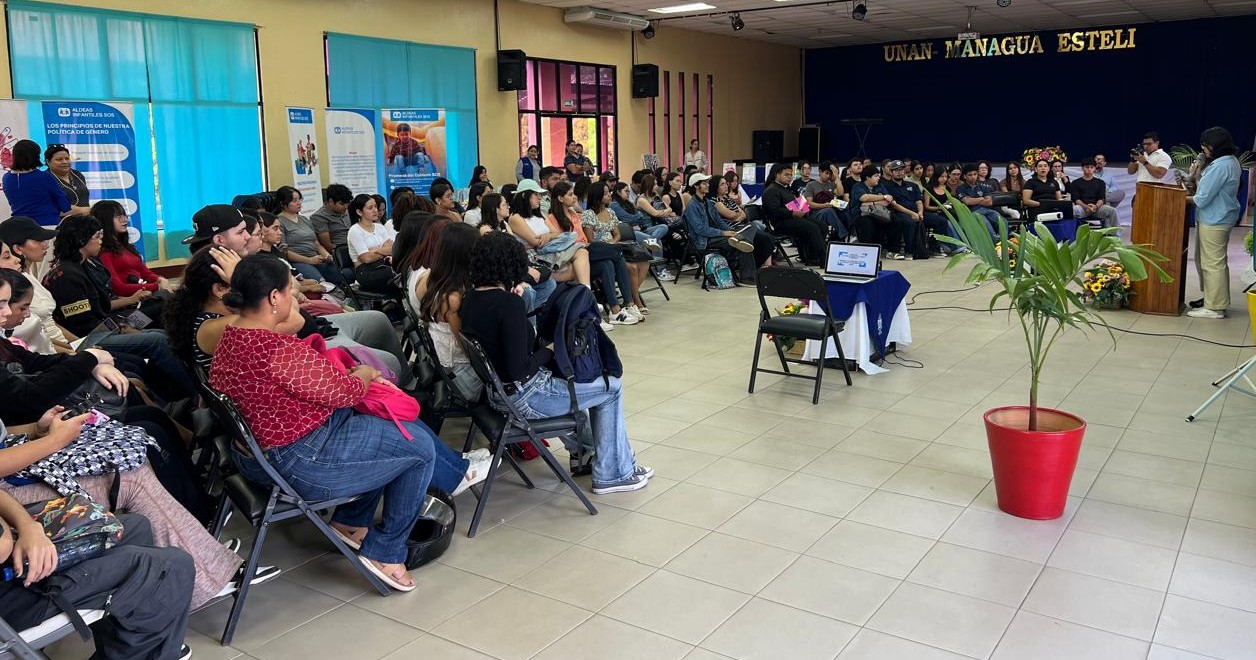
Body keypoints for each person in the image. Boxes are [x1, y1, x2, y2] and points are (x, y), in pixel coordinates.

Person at [210, 255, 485, 592]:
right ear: (274, 297)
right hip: (300, 460)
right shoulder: (276, 350)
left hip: (261, 454)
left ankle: (351, 521)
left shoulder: (231, 337)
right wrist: (366, 373)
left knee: (388, 426)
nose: (295, 296)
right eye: (289, 290)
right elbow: (346, 392)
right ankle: (386, 552)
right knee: (419, 449)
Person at [460, 232, 652, 494]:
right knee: (611, 388)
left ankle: (591, 457)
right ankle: (613, 474)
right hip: (526, 397)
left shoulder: (470, 300)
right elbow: (520, 369)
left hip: (498, 395)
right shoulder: (508, 305)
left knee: (580, 392)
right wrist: (550, 349)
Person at [0, 493, 197, 659]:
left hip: (14, 560)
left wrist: (28, 526)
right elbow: (3, 546)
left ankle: (140, 649)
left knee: (135, 528)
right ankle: (155, 649)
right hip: (16, 593)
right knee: (172, 567)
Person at [550, 181, 639, 325]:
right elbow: (563, 242)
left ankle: (619, 309)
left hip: (587, 251)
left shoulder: (575, 215)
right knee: (613, 252)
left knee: (607, 263)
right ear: (560, 198)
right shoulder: (553, 218)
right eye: (570, 195)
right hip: (573, 255)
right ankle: (622, 306)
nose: (574, 197)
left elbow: (587, 239)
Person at [415, 223, 482, 401]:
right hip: (462, 374)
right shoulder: (453, 297)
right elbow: (465, 344)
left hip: (442, 359)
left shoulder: (429, 278)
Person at [1185, 127, 1243, 319]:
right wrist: (1197, 174)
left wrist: (1180, 197)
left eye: (1206, 146)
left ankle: (1215, 307)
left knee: (1213, 263)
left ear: (1215, 146)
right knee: (1206, 260)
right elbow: (1205, 190)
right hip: (1215, 217)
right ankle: (1211, 299)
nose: (1203, 150)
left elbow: (1202, 199)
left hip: (1216, 219)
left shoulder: (1220, 166)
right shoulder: (1228, 161)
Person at [684, 173, 773, 283]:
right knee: (742, 242)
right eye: (704, 183)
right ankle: (747, 278)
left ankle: (751, 270)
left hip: (715, 235)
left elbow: (719, 222)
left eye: (707, 183)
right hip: (704, 240)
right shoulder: (692, 206)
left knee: (751, 230)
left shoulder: (707, 203)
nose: (708, 185)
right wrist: (724, 233)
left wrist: (731, 231)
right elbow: (700, 229)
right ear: (696, 186)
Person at [583, 181, 651, 316]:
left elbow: (617, 234)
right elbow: (591, 240)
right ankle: (627, 303)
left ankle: (628, 304)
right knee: (618, 259)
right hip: (598, 250)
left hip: (612, 248)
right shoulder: (588, 214)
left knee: (620, 260)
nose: (610, 195)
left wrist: (613, 243)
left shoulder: (610, 212)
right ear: (597, 196)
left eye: (609, 192)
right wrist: (609, 247)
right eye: (606, 193)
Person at [508, 179, 591, 288]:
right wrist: (549, 237)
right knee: (579, 268)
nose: (540, 198)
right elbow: (536, 242)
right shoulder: (515, 217)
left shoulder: (540, 215)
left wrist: (547, 236)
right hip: (536, 256)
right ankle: (584, 291)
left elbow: (557, 233)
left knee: (582, 253)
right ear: (524, 195)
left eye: (540, 195)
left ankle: (586, 290)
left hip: (550, 250)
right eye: (536, 194)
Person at [92, 200, 176, 297]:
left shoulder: (126, 247)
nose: (124, 220)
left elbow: (145, 272)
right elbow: (118, 288)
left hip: (145, 292)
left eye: (124, 215)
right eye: (117, 216)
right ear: (105, 220)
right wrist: (157, 286)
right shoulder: (103, 253)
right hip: (131, 299)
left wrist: (160, 280)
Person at [273, 186, 345, 286]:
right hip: (298, 261)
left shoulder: (304, 219)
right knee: (320, 282)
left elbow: (316, 243)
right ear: (283, 204)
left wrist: (326, 255)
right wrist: (309, 260)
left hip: (316, 258)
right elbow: (284, 251)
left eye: (299, 199)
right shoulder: (279, 222)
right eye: (294, 201)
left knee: (344, 275)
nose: (299, 203)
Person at [761, 164, 827, 266]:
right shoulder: (771, 190)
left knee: (822, 226)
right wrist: (793, 213)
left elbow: (793, 203)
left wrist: (804, 208)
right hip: (782, 222)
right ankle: (822, 259)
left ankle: (811, 256)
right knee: (813, 228)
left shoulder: (785, 188)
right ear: (777, 175)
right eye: (786, 175)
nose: (789, 177)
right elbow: (774, 211)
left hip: (794, 217)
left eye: (791, 175)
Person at [2, 140, 70, 229]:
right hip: (47, 225)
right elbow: (65, 205)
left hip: (19, 226)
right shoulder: (44, 176)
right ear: (35, 156)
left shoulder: (6, 178)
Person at [885, 159, 946, 258]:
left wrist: (920, 212)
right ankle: (909, 251)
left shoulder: (913, 185)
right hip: (900, 212)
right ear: (891, 172)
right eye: (896, 170)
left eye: (901, 170)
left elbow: (919, 201)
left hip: (917, 212)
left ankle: (933, 248)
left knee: (941, 221)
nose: (899, 172)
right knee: (909, 222)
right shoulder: (887, 186)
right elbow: (894, 204)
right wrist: (912, 214)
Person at [345, 193, 398, 295]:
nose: (375, 210)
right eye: (370, 208)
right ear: (359, 212)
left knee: (405, 269)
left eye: (375, 207)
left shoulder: (380, 227)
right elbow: (366, 258)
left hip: (384, 265)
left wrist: (376, 250)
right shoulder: (355, 230)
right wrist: (383, 250)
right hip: (366, 272)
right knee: (397, 272)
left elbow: (392, 249)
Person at [851, 168, 902, 258]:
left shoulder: (880, 186)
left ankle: (893, 251)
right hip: (862, 214)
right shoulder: (858, 186)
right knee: (867, 222)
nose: (878, 178)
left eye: (879, 176)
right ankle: (867, 252)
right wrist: (883, 197)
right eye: (876, 176)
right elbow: (863, 198)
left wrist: (871, 202)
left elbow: (888, 201)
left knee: (896, 220)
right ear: (867, 177)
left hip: (880, 213)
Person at [803, 160, 849, 240]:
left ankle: (848, 234)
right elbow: (809, 204)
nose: (828, 176)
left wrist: (837, 176)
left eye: (830, 174)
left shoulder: (831, 184)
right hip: (815, 213)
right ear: (820, 171)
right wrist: (824, 205)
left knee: (846, 208)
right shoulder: (811, 185)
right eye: (826, 173)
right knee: (828, 211)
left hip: (830, 209)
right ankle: (844, 235)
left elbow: (840, 193)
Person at [43, 144, 91, 217]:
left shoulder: (77, 174)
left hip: (85, 220)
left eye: (67, 158)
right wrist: (82, 210)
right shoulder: (44, 179)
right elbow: (50, 207)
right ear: (48, 161)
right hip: (60, 221)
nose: (65, 162)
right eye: (59, 159)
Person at [1070, 157, 1118, 229]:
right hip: (1082, 208)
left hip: (1097, 208)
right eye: (1087, 167)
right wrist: (1086, 207)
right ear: (1082, 168)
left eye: (1091, 167)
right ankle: (1071, 233)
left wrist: (1096, 206)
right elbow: (1076, 199)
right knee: (1073, 210)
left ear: (1095, 168)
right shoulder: (1075, 183)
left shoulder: (1100, 183)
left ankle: (1116, 234)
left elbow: (1102, 198)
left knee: (1113, 211)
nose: (1089, 169)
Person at [957, 163, 1003, 234]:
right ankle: (994, 240)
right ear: (965, 176)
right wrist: (981, 198)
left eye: (975, 174)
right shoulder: (961, 188)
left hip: (986, 210)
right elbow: (967, 201)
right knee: (985, 223)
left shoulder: (983, 187)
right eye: (970, 175)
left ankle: (1004, 239)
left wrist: (973, 200)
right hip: (972, 212)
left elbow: (989, 202)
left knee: (1002, 221)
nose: (973, 177)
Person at [310, 183, 354, 254]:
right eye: (342, 204)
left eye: (347, 203)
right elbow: (328, 246)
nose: (346, 207)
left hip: (354, 246)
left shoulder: (345, 210)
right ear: (331, 201)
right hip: (340, 251)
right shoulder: (319, 217)